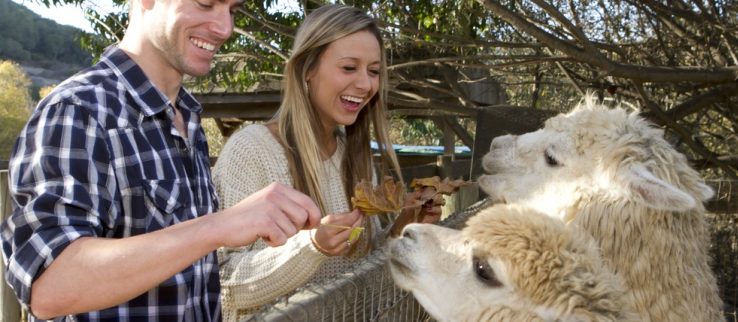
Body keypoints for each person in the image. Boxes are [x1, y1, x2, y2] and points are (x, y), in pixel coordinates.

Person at [0, 0, 323, 321]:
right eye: (206, 4)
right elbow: (49, 286)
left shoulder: (189, 119)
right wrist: (219, 225)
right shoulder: (78, 110)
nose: (225, 28)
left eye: (232, 10)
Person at [211, 4, 441, 321]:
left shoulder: (355, 158)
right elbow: (229, 287)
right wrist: (313, 246)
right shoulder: (250, 151)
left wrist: (403, 226)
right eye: (349, 68)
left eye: (373, 71)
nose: (365, 84)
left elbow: (361, 268)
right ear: (307, 68)